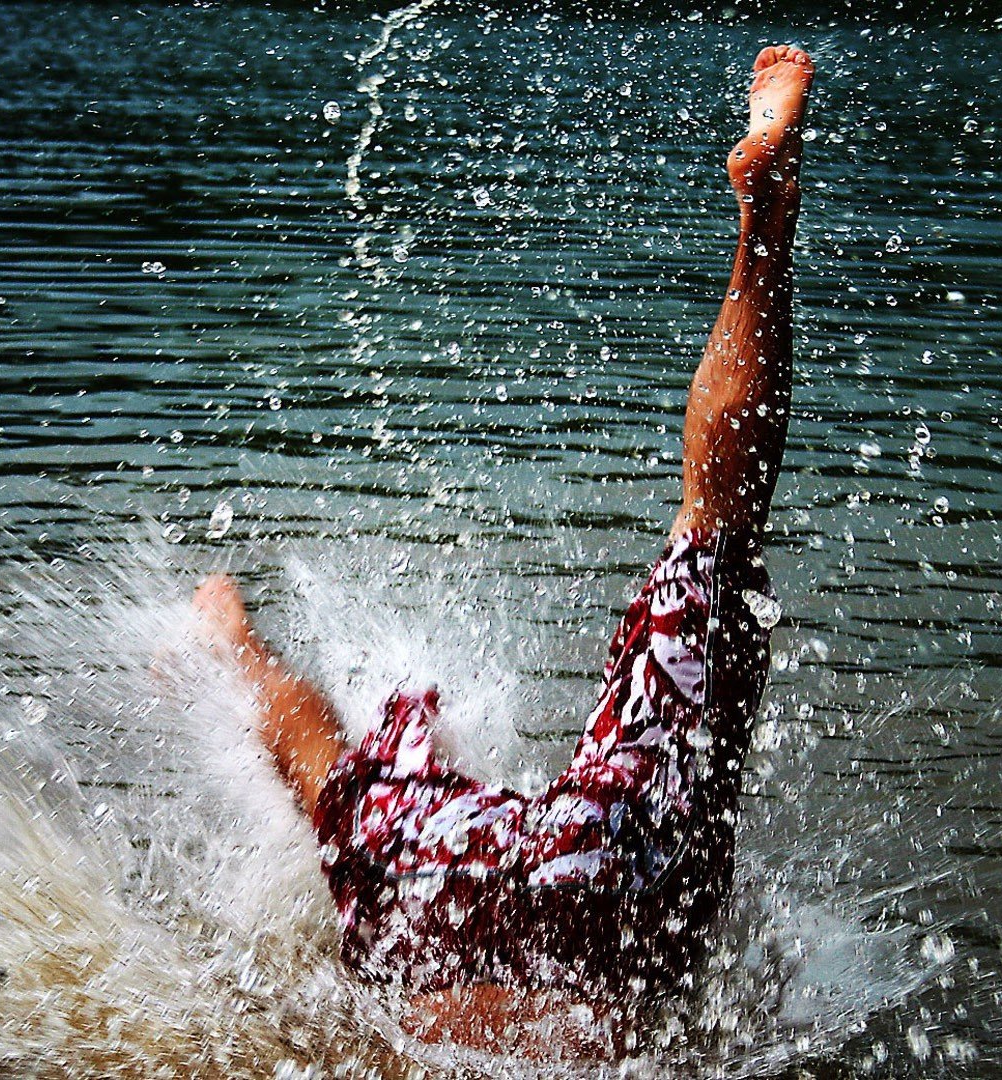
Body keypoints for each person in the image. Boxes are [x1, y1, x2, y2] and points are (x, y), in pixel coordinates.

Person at [187, 44, 815, 1057]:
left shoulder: (424, 872)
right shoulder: (398, 858)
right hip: (485, 885)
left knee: (717, 530)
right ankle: (765, 225)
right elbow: (315, 765)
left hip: (522, 892)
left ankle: (229, 642)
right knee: (711, 531)